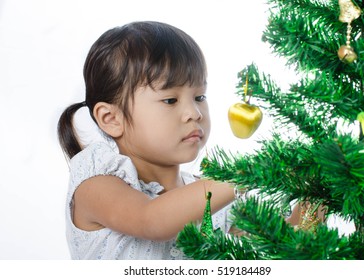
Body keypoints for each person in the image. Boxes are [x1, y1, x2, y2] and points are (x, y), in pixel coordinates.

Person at [57, 21, 237, 260]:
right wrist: (243, 176)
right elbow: (152, 221)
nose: (195, 112)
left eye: (199, 96)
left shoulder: (210, 196)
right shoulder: (97, 184)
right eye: (171, 100)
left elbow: (281, 243)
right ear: (111, 118)